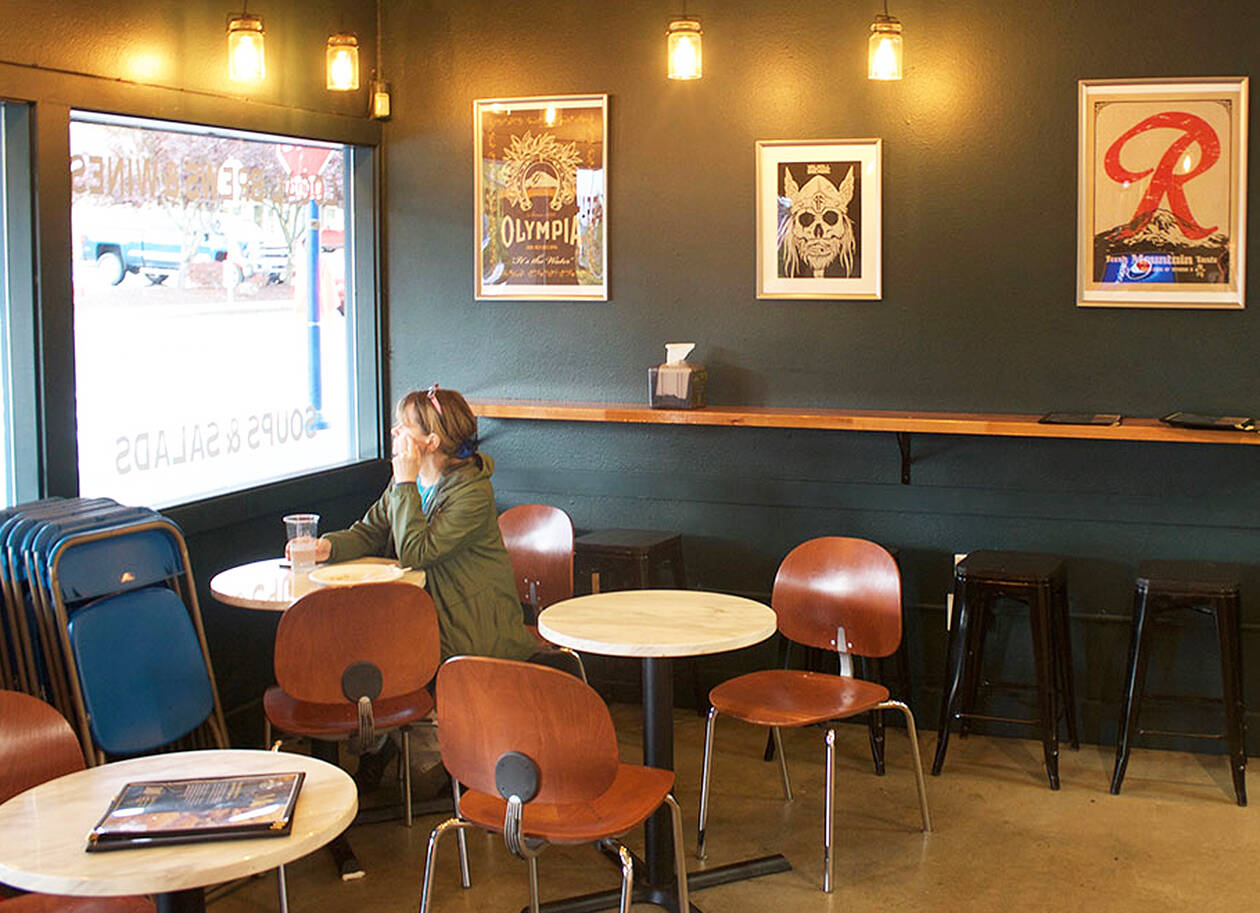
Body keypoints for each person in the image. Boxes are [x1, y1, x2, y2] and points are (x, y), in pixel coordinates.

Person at [293, 384, 539, 662]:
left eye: (404, 425)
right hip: (421, 616)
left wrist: (406, 483)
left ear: (431, 442)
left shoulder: (472, 493)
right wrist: (326, 547)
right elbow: (371, 530)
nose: (394, 431)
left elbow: (416, 554)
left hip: (469, 633)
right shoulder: (409, 478)